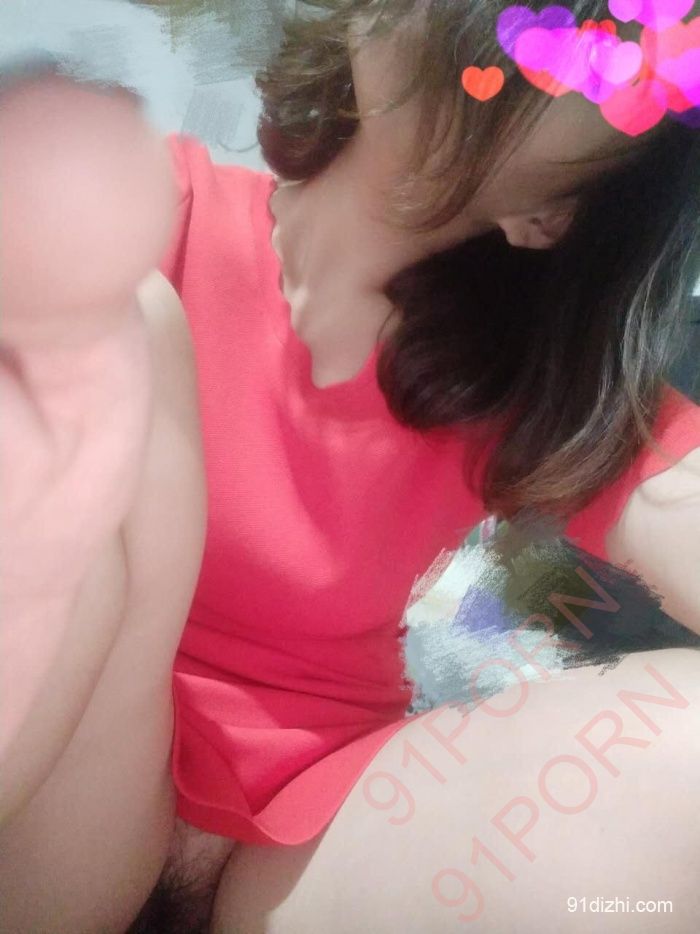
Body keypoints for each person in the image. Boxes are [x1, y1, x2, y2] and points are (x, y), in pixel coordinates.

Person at [1, 1, 700, 931]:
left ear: (549, 216)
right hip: (68, 795)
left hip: (314, 846)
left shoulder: (556, 403)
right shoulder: (150, 209)